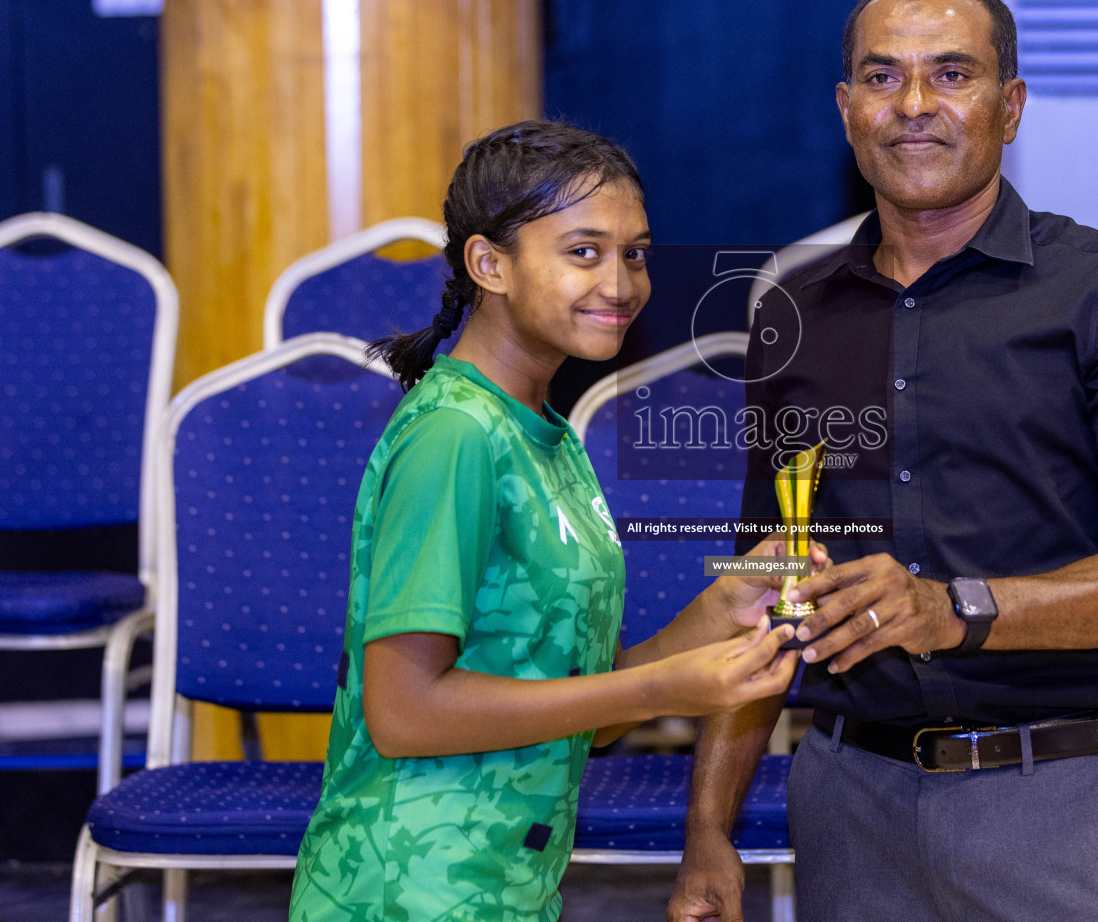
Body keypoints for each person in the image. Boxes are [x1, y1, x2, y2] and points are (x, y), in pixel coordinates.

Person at [667, 0, 1098, 922]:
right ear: (847, 112)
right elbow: (769, 582)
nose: (914, 105)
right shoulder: (792, 313)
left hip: (1048, 802)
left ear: (1009, 108)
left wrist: (953, 608)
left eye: (951, 74)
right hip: (845, 803)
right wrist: (708, 828)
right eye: (883, 78)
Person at [287, 121, 807, 922]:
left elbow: (576, 713)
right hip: (404, 888)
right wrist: (666, 686)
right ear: (489, 264)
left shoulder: (547, 432)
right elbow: (402, 712)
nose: (623, 283)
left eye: (635, 253)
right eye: (584, 252)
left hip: (507, 886)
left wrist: (707, 623)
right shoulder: (455, 433)